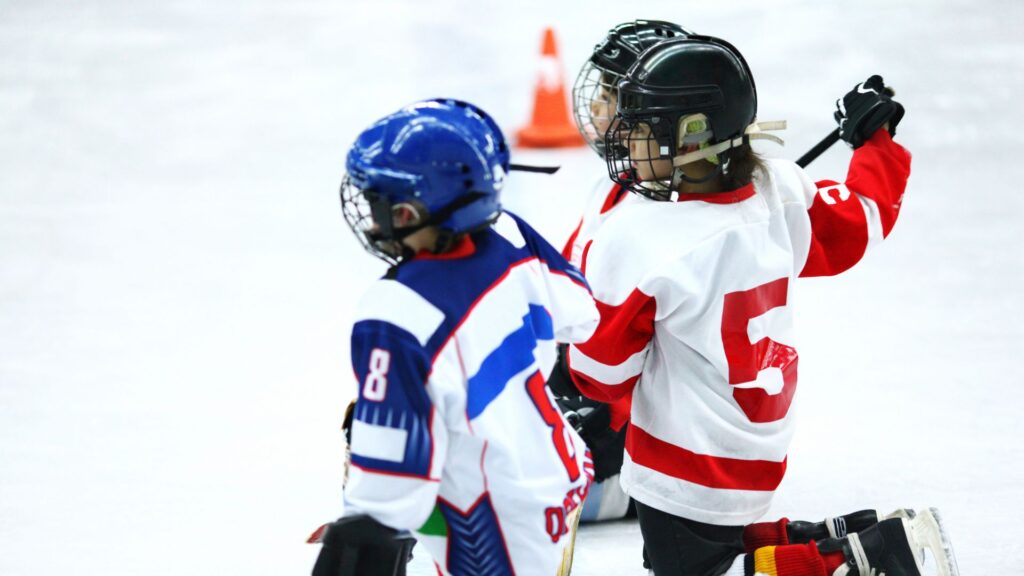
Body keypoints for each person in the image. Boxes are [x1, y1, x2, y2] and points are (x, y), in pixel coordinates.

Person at [561, 35, 959, 575]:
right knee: (701, 547)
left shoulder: (638, 233)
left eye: (641, 129)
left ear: (690, 136)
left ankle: (857, 559)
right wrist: (876, 143)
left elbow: (599, 373)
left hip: (683, 462)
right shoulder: (780, 188)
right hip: (756, 445)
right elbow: (862, 221)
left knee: (700, 569)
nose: (626, 142)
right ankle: (837, 537)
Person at [310, 99, 600, 576]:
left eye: (379, 200)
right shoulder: (508, 233)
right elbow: (581, 314)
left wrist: (355, 543)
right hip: (555, 472)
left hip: (493, 520)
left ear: (410, 212)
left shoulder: (396, 315)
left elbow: (387, 495)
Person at [559, 18, 692, 524]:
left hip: (635, 441)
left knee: (491, 480)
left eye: (611, 96)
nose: (593, 108)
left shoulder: (671, 218)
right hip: (592, 391)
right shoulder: (615, 187)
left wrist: (597, 413)